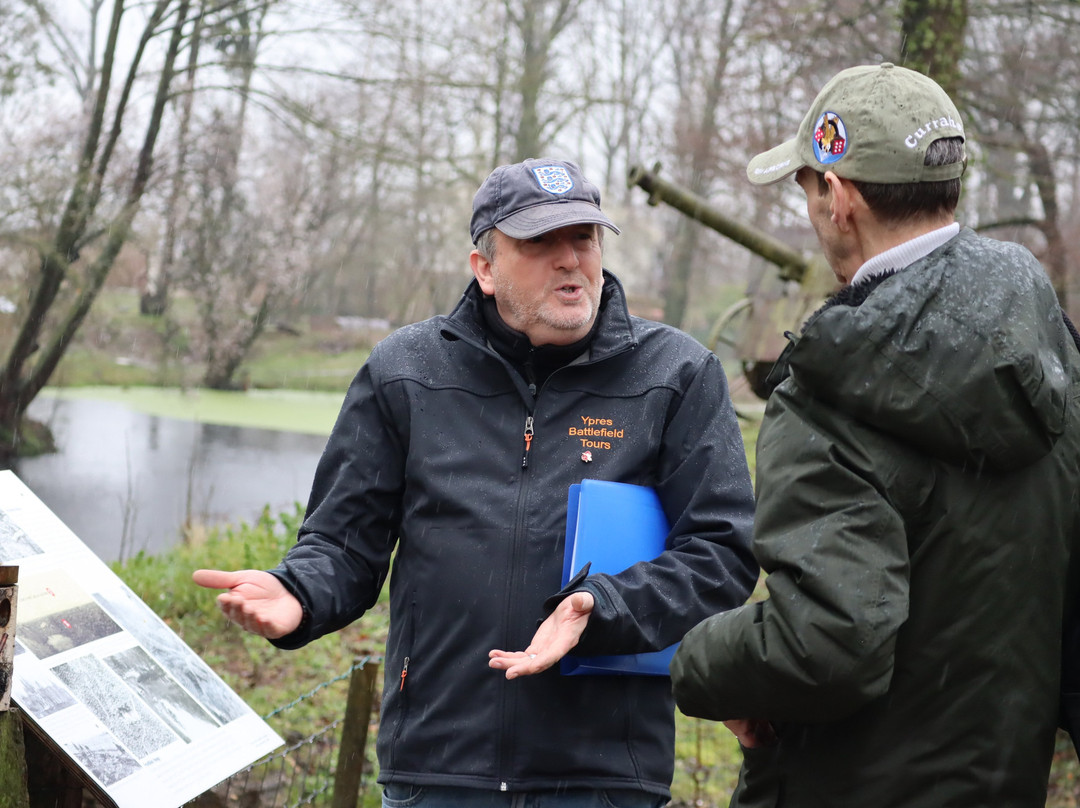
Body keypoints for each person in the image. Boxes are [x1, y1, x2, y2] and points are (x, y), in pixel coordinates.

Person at [194, 157, 758, 807]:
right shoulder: (405, 373)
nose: (570, 259)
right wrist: (298, 592)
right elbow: (345, 544)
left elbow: (722, 551)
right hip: (437, 770)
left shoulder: (677, 376)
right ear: (484, 268)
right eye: (539, 242)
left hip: (603, 776)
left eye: (583, 237)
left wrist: (601, 606)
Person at [669, 63, 1080, 807]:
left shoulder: (829, 392)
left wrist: (698, 658)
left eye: (806, 190)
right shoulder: (1053, 349)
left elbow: (827, 646)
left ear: (840, 197)